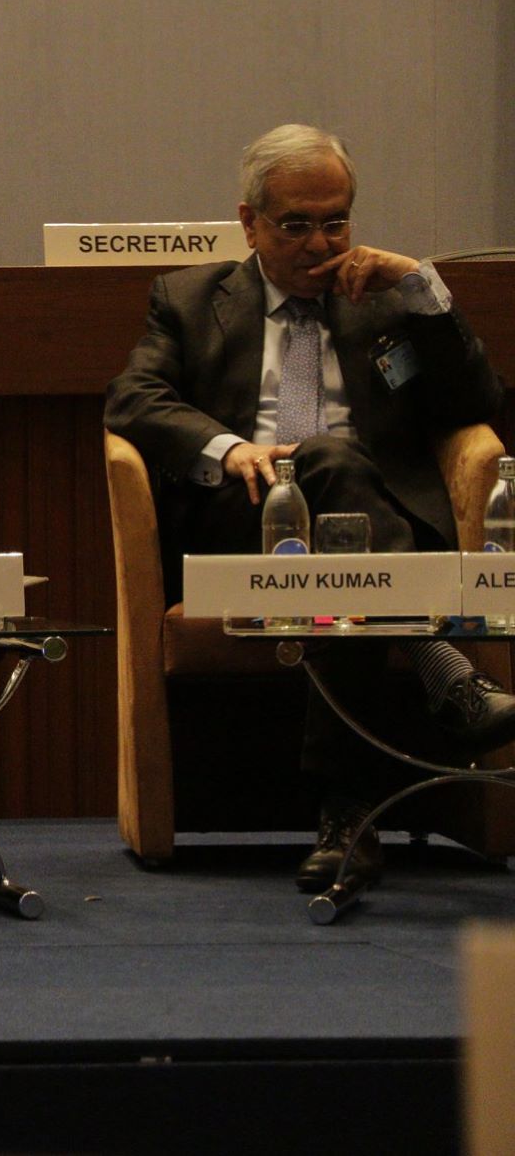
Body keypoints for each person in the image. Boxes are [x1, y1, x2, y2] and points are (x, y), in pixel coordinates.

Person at [105, 122, 515, 891]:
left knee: (336, 483)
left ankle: (346, 813)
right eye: (295, 224)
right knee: (326, 462)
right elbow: (133, 398)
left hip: (372, 524)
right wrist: (230, 447)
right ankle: (443, 668)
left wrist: (420, 284)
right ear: (250, 222)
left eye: (335, 221)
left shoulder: (385, 300)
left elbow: (475, 401)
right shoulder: (189, 299)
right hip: (243, 525)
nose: (318, 243)